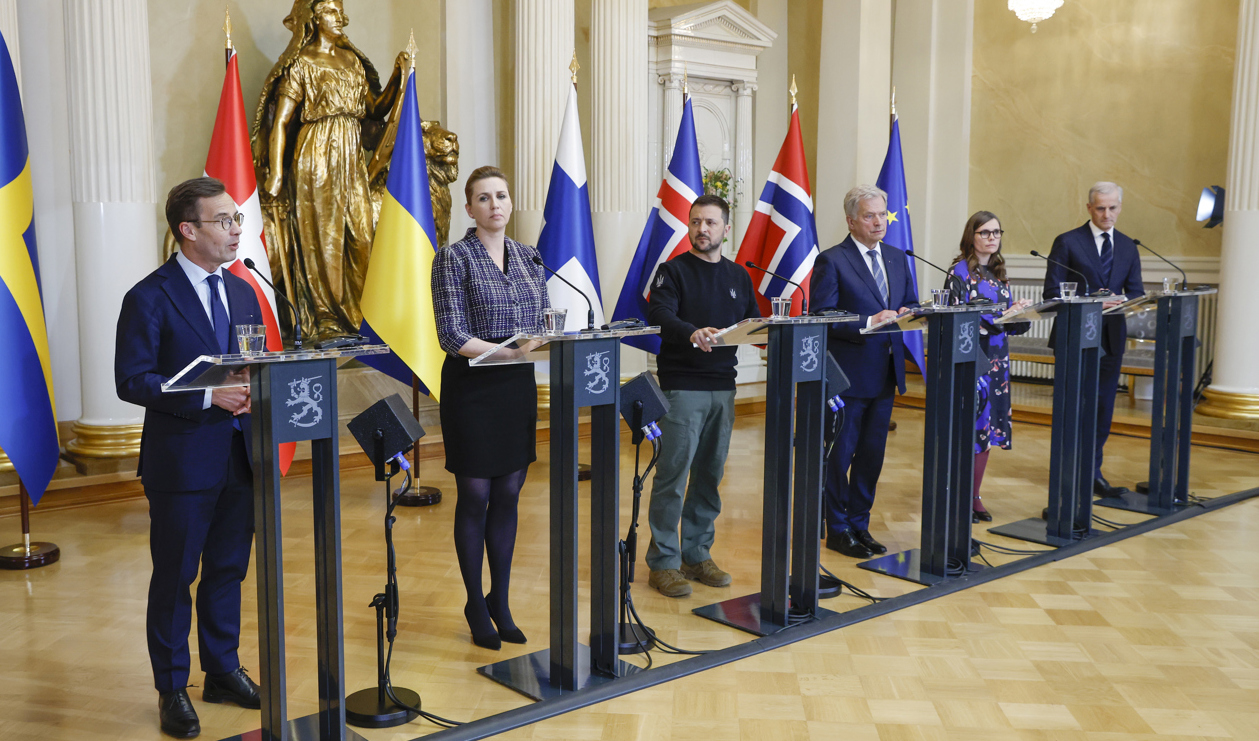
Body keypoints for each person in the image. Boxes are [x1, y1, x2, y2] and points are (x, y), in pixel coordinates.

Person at [116, 178, 264, 739]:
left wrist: (257, 382)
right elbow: (132, 381)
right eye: (224, 221)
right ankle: (172, 686)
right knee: (177, 575)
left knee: (228, 569)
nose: (235, 230)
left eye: (236, 221)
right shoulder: (149, 296)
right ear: (188, 230)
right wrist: (208, 395)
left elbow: (252, 361)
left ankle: (223, 669)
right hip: (182, 460)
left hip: (239, 452)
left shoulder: (246, 289)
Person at [431, 166, 548, 649]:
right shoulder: (452, 258)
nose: (495, 204)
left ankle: (500, 599)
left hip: (515, 386)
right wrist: (507, 352)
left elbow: (541, 319)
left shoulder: (530, 257)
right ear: (469, 208)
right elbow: (451, 334)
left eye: (502, 195)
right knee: (476, 495)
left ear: (511, 203)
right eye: (484, 197)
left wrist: (536, 342)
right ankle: (475, 603)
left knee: (508, 495)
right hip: (472, 389)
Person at [253, 0, 408, 340]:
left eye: (341, 12)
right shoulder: (302, 63)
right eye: (331, 12)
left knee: (361, 233)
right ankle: (326, 317)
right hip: (315, 154)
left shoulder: (351, 61)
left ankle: (362, 315)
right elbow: (280, 121)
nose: (342, 19)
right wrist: (276, 172)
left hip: (351, 158)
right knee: (322, 238)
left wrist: (399, 75)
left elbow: (373, 108)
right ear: (313, 17)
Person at [644, 194, 761, 598]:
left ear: (726, 229)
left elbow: (750, 319)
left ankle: (697, 553)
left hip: (722, 389)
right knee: (673, 477)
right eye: (695, 222)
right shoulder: (673, 271)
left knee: (709, 477)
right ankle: (663, 563)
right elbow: (659, 314)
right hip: (683, 388)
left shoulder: (739, 275)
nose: (702, 230)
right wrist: (691, 331)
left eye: (710, 223)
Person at [810, 185, 918, 560]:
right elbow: (823, 315)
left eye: (882, 214)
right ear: (851, 220)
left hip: (885, 373)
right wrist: (869, 320)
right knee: (840, 456)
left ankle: (859, 523)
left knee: (871, 457)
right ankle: (837, 529)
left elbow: (909, 303)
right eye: (869, 215)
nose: (879, 222)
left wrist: (910, 314)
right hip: (848, 375)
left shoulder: (897, 257)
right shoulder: (833, 260)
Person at [1043, 182, 1143, 498]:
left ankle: (1092, 472)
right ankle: (1068, 472)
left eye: (1112, 208)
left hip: (1111, 339)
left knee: (1102, 408)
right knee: (1074, 407)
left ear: (1120, 207)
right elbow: (1051, 293)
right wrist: (1094, 301)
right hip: (1074, 337)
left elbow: (1137, 292)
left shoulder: (1128, 246)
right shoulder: (1068, 242)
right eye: (1100, 208)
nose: (1106, 214)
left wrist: (1122, 300)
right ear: (1089, 208)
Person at [949, 212, 1033, 522]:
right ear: (971, 236)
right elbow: (956, 319)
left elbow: (1006, 326)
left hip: (997, 361)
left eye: (997, 232)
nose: (992, 237)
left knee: (988, 428)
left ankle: (974, 495)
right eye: (985, 232)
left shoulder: (998, 273)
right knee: (972, 426)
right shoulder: (958, 273)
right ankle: (959, 494)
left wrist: (1018, 315)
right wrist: (999, 318)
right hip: (973, 360)